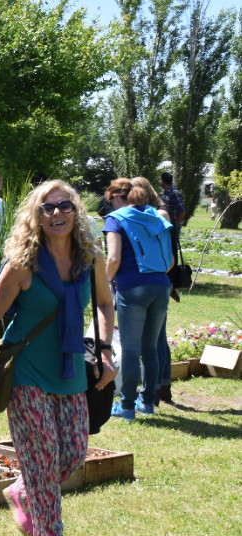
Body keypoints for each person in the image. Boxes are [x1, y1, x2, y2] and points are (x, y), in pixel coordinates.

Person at [0, 181, 116, 536]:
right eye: (47, 208)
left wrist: (105, 351)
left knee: (73, 452)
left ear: (77, 211)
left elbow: (105, 304)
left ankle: (22, 491)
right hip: (27, 372)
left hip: (70, 368)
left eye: (64, 206)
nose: (57, 214)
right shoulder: (24, 264)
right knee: (42, 455)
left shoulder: (91, 259)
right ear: (35, 217)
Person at [103, 178, 173, 420]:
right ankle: (148, 403)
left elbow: (113, 259)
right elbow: (170, 261)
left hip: (132, 287)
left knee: (131, 350)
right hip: (161, 285)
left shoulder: (116, 219)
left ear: (124, 199)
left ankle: (127, 407)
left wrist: (104, 282)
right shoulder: (159, 218)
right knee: (150, 349)